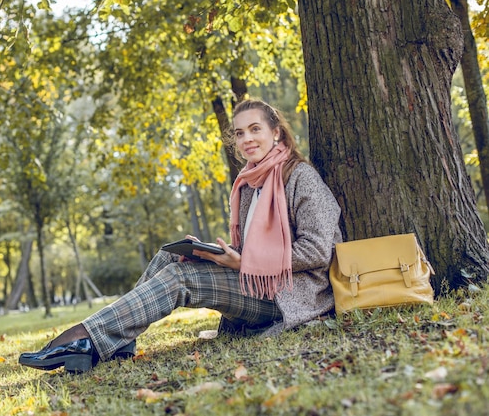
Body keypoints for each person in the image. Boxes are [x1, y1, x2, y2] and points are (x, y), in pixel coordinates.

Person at [19, 98, 342, 373]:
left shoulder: (301, 176)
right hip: (257, 282)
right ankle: (117, 341)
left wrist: (242, 260)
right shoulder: (250, 184)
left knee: (180, 278)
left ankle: (86, 338)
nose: (247, 139)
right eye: (240, 133)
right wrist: (212, 253)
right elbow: (252, 251)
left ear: (276, 132)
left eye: (255, 129)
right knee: (172, 255)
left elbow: (317, 251)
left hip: (290, 296)